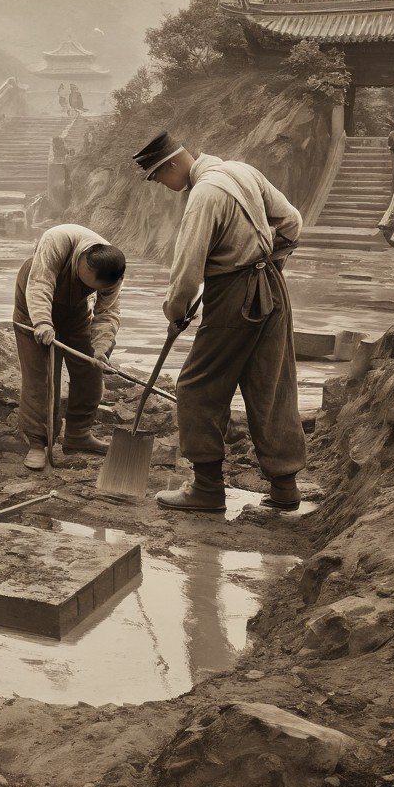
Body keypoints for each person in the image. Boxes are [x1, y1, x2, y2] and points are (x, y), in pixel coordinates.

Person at [132, 131, 304, 512]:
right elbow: (292, 222)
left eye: (160, 177)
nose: (162, 185)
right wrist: (271, 266)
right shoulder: (242, 171)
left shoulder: (204, 195)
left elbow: (187, 271)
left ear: (174, 164)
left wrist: (175, 312)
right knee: (270, 384)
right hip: (272, 289)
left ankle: (207, 488)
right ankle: (285, 486)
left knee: (197, 386)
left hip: (233, 296)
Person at [13, 225, 126, 470]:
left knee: (90, 368)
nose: (91, 289)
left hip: (75, 309)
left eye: (94, 288)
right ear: (81, 261)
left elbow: (107, 313)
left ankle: (78, 434)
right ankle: (37, 442)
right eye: (84, 281)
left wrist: (101, 348)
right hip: (33, 298)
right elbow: (41, 284)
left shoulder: (113, 271)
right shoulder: (57, 240)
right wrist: (42, 322)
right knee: (41, 373)